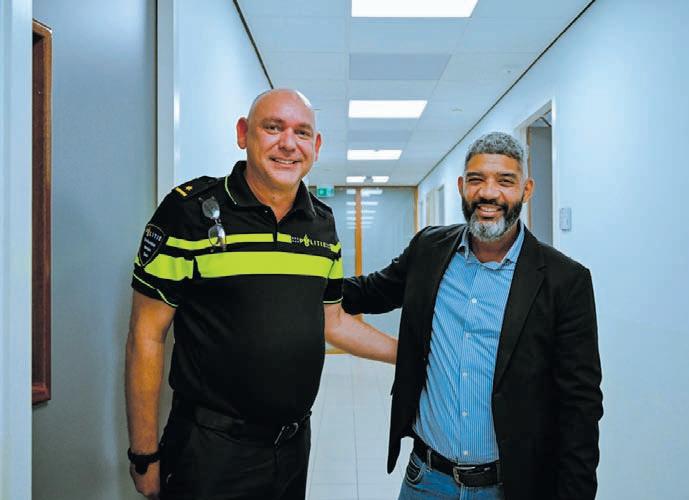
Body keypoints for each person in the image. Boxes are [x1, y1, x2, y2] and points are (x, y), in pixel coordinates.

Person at [125, 89, 397, 500]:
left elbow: (334, 321)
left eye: (302, 133)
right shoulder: (189, 213)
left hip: (292, 447)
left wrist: (408, 353)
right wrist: (144, 454)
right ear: (243, 133)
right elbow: (146, 335)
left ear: (316, 146)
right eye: (273, 127)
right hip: (210, 450)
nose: (288, 143)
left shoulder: (321, 224)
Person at [343, 132, 603, 500]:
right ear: (462, 187)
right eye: (477, 179)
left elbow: (581, 405)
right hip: (426, 480)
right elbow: (367, 292)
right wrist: (297, 279)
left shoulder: (564, 280)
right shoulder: (429, 249)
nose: (489, 193)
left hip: (509, 487)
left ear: (527, 190)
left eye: (505, 181)